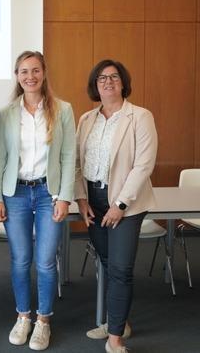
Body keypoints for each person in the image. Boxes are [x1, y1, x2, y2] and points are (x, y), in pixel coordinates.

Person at [0, 51, 75, 351]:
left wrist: (65, 197)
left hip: (48, 194)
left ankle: (43, 321)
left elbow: (69, 156)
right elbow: (0, 157)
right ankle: (23, 316)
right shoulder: (8, 113)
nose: (30, 76)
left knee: (46, 260)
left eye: (35, 70)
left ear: (44, 72)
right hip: (15, 194)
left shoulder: (63, 110)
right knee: (20, 259)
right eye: (24, 71)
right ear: (17, 75)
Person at [74, 60, 157, 353]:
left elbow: (143, 165)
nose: (108, 82)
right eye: (101, 78)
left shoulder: (140, 117)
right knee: (108, 265)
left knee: (121, 268)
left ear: (123, 83)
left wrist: (120, 204)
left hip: (126, 204)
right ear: (94, 85)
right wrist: (82, 199)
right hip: (94, 201)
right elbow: (77, 163)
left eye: (114, 77)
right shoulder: (87, 119)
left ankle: (115, 339)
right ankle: (118, 322)